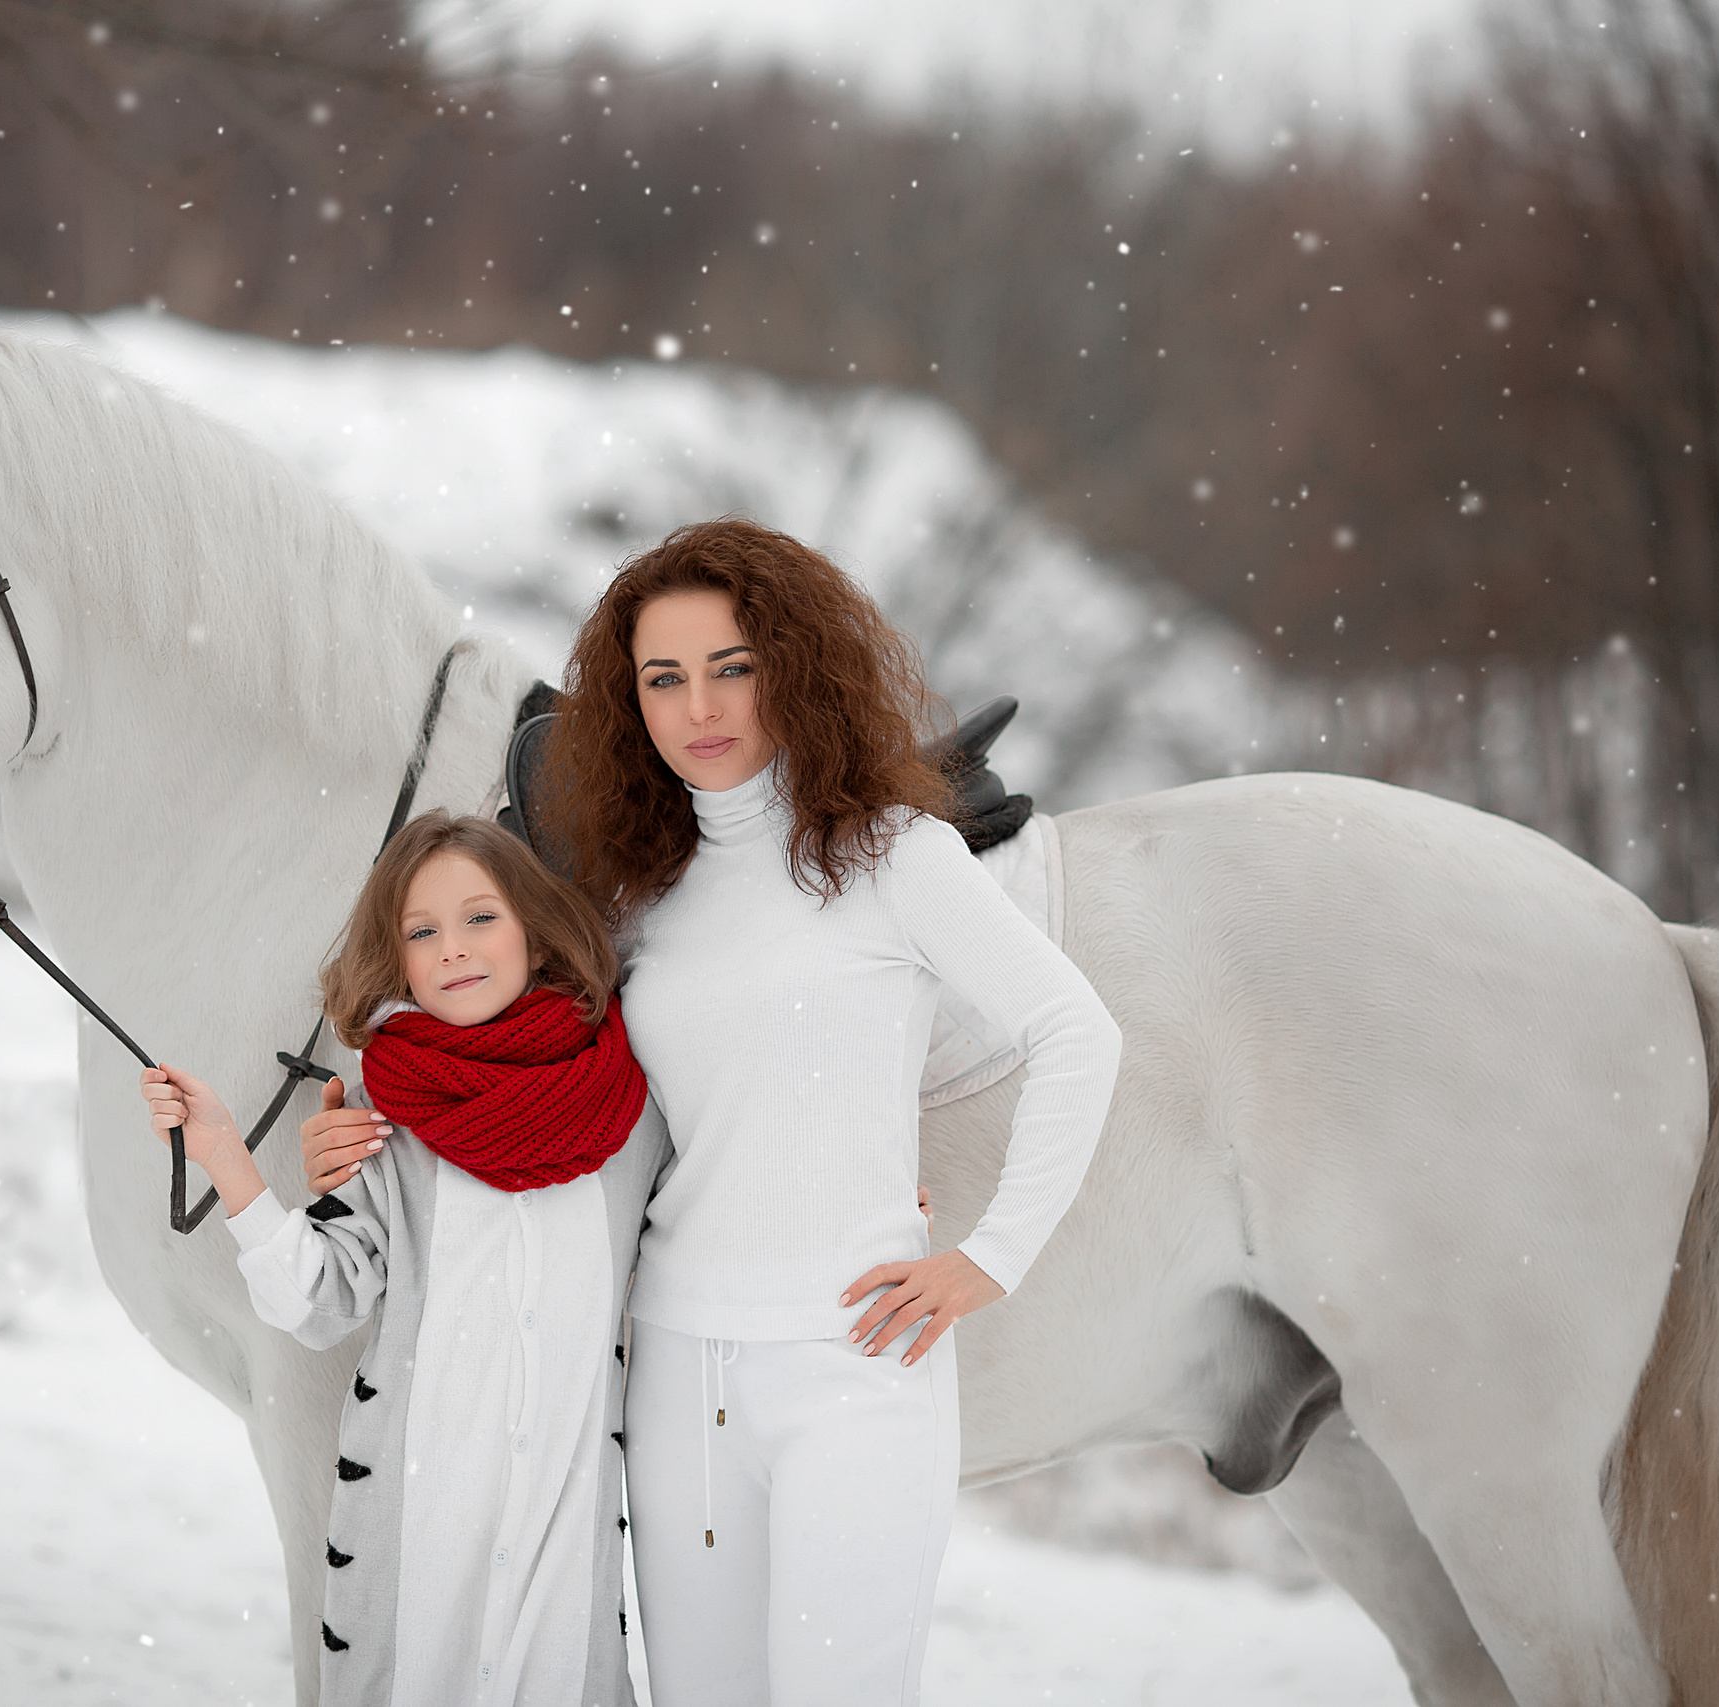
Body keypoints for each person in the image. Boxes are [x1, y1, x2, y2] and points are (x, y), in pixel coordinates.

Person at [312, 519, 1121, 1704]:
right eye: (663, 678)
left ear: (794, 669)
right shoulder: (642, 899)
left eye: (732, 667)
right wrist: (369, 1132)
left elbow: (1076, 1033)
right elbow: (544, 1099)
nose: (701, 706)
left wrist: (987, 1259)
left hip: (855, 1361)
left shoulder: (894, 857)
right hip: (680, 1370)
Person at [141, 810, 668, 1707]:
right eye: (421, 932)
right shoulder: (391, 1124)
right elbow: (319, 1300)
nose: (453, 949)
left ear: (534, 931)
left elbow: (715, 1212)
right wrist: (226, 1153)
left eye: (479, 918)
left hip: (564, 1528)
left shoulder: (632, 1108)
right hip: (417, 1535)